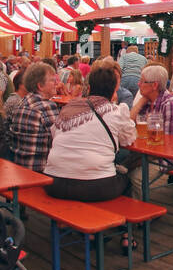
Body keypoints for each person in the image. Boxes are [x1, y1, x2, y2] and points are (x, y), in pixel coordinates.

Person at [41, 64, 138, 203]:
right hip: (94, 186)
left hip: (54, 183)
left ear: (90, 88)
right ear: (114, 90)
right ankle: (123, 223)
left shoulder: (69, 108)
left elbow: (54, 134)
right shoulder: (116, 111)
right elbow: (129, 140)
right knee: (126, 179)